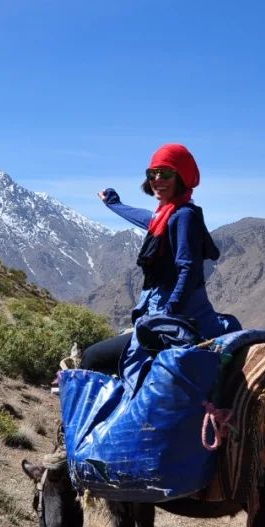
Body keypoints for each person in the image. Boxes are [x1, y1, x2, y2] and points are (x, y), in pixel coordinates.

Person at [81, 143, 240, 379]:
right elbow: (146, 218)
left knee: (93, 358)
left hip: (173, 318)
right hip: (164, 314)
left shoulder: (183, 216)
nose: (157, 179)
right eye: (152, 173)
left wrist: (169, 314)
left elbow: (188, 269)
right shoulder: (167, 214)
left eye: (165, 173)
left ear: (182, 177)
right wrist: (114, 204)